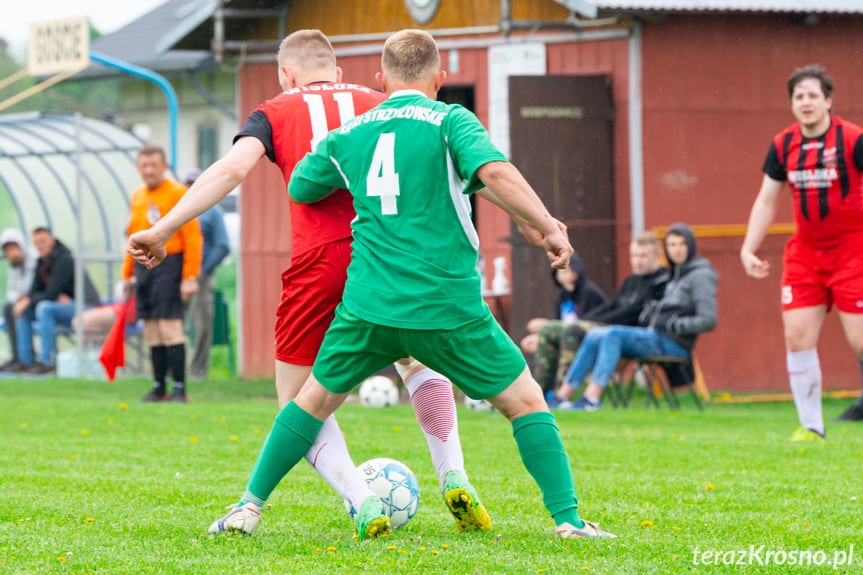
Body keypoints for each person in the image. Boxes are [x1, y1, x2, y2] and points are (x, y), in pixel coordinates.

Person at [127, 30, 496, 539]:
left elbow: (233, 168)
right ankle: (453, 472)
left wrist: (164, 227)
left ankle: (361, 499)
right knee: (416, 360)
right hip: (386, 257)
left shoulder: (274, 109)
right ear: (340, 73)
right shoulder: (381, 101)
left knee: (297, 400)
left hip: (319, 261)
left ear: (287, 74)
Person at [740, 65, 863, 437]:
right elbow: (766, 200)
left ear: (828, 101)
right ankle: (811, 427)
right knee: (797, 337)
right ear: (792, 104)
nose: (805, 102)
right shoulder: (783, 145)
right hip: (806, 255)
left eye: (812, 95)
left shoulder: (853, 139)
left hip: (854, 251)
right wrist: (748, 248)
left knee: (860, 340)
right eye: (798, 96)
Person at [550, 223, 717, 411]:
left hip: (673, 342)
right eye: (671, 245)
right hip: (653, 336)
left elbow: (708, 320)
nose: (676, 250)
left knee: (612, 334)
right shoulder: (677, 274)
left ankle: (592, 399)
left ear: (691, 246)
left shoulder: (700, 275)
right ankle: (563, 396)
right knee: (595, 334)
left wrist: (674, 324)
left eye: (681, 244)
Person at [533, 231, 667, 396]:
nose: (638, 261)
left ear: (657, 255)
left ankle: (562, 394)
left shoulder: (661, 281)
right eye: (635, 255)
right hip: (606, 329)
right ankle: (538, 394)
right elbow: (610, 306)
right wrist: (583, 320)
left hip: (629, 335)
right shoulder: (632, 280)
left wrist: (581, 323)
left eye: (643, 256)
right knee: (549, 329)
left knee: (573, 330)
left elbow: (629, 314)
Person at [123, 145, 202, 403]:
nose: (148, 170)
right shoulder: (137, 195)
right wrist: (127, 276)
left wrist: (189, 277)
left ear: (164, 167)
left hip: (170, 264)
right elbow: (132, 236)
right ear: (137, 168)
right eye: (143, 165)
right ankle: (159, 388)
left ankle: (179, 388)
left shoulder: (179, 192)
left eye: (153, 165)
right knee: (151, 329)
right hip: (143, 266)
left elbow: (192, 237)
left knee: (170, 327)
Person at [13, 227, 101, 374]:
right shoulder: (41, 262)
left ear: (52, 241)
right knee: (24, 310)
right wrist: (33, 299)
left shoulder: (64, 259)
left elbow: (50, 292)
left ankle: (47, 361)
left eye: (43, 241)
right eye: (36, 243)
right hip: (61, 308)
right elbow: (37, 291)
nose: (40, 246)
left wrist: (36, 298)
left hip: (85, 307)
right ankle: (26, 362)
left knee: (44, 308)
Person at [183, 169, 230, 380]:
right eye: (188, 184)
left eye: (196, 183)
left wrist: (202, 270)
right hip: (177, 275)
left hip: (200, 276)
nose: (191, 187)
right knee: (172, 323)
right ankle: (174, 371)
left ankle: (197, 372)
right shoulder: (178, 209)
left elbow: (222, 245)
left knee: (201, 325)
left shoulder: (212, 211)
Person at [519, 252, 606, 355]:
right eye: (565, 272)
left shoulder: (589, 292)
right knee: (539, 335)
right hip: (569, 338)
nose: (570, 276)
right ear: (557, 276)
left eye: (573, 271)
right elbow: (560, 324)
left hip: (589, 338)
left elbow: (584, 323)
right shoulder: (561, 297)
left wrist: (547, 325)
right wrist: (538, 336)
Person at [1, 228, 37, 372]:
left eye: (13, 247)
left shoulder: (33, 259)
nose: (11, 252)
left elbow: (34, 285)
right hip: (22, 303)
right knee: (8, 307)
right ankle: (16, 357)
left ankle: (26, 359)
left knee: (18, 310)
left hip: (33, 302)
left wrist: (24, 298)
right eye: (7, 249)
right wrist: (19, 299)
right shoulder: (14, 266)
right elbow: (11, 291)